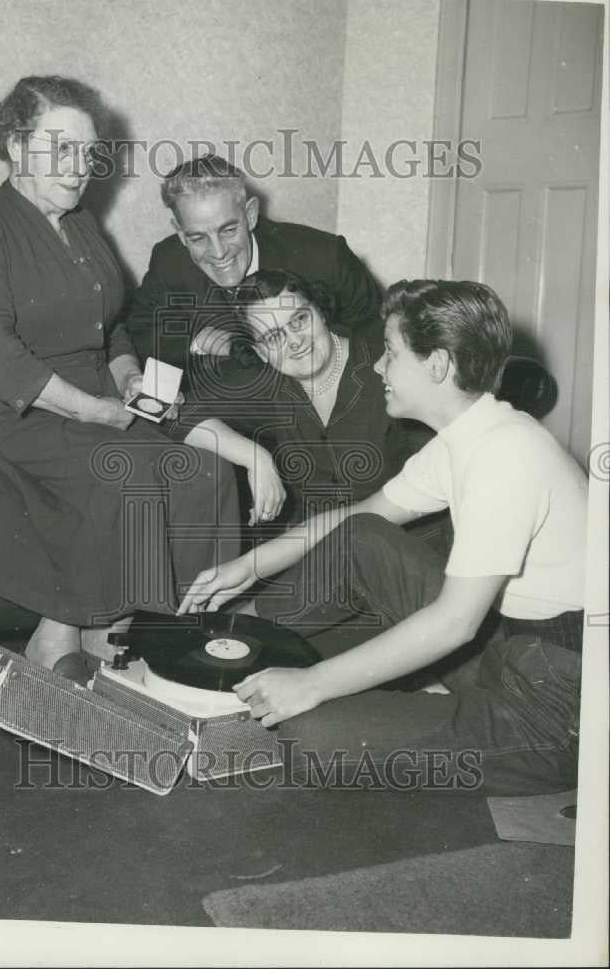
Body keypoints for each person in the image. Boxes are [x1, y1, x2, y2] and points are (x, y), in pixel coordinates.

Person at [179, 280, 587, 796]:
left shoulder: (504, 458)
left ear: (436, 365)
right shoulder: (474, 434)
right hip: (509, 648)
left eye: (390, 353)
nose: (377, 367)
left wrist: (312, 684)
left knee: (306, 735)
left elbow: (455, 624)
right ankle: (233, 652)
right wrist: (248, 567)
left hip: (559, 711)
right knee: (362, 536)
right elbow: (360, 517)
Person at [0, 75, 241, 677]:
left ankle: (127, 633)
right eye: (62, 149)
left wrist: (126, 377)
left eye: (89, 152)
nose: (80, 168)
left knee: (206, 467)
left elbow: (112, 326)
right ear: (17, 147)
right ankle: (58, 638)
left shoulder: (83, 225)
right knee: (131, 469)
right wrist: (94, 411)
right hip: (24, 415)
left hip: (101, 402)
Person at [168, 268, 425, 526]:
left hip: (405, 535)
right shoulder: (267, 384)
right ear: (260, 352)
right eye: (273, 337)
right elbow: (168, 407)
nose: (294, 341)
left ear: (320, 312)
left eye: (299, 320)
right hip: (317, 541)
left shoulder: (387, 365)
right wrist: (254, 457)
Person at [126, 154, 382, 378]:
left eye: (228, 230)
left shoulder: (324, 257)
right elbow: (141, 332)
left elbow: (377, 339)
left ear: (250, 215)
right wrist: (200, 340)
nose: (218, 252)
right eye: (198, 238)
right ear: (181, 234)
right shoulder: (169, 261)